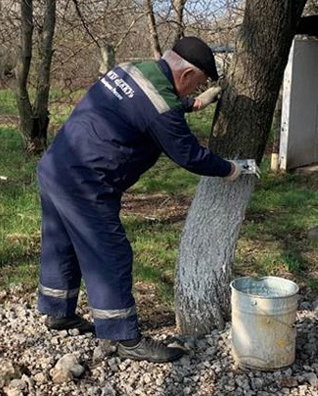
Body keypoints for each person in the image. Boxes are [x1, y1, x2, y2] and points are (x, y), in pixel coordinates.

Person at [36, 37, 259, 363]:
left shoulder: (131, 69)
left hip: (55, 167)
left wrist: (195, 105)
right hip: (87, 184)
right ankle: (122, 337)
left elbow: (143, 104)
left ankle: (58, 312)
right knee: (110, 253)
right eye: (197, 84)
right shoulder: (162, 108)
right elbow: (190, 155)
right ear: (185, 76)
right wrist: (231, 170)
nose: (196, 90)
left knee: (61, 243)